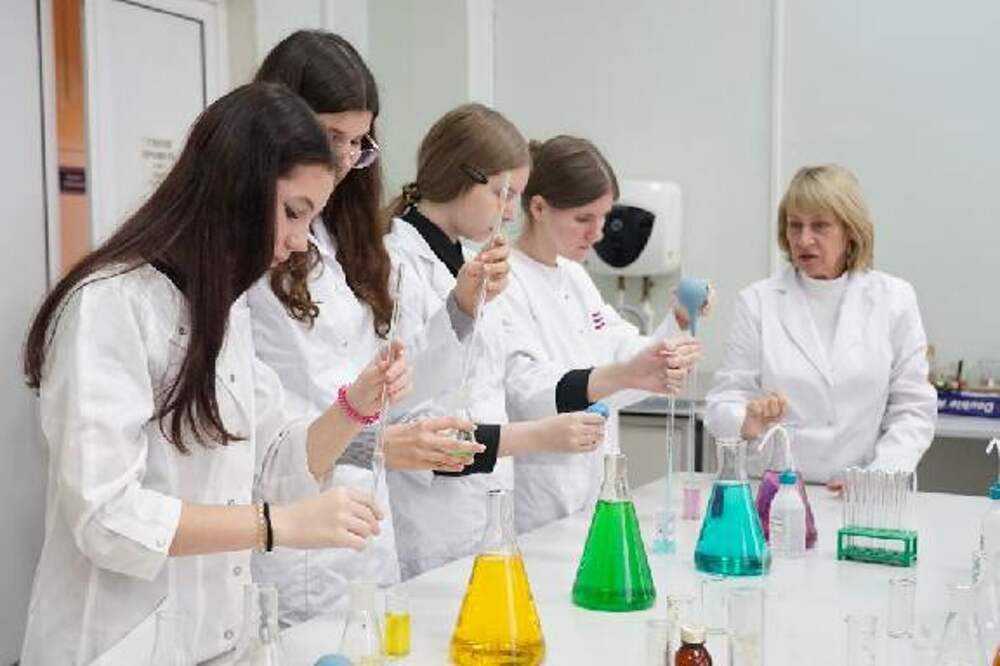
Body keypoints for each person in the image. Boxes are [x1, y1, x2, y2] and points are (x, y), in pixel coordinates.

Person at [18, 83, 407, 664]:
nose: (298, 242)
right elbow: (106, 516)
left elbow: (276, 462)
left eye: (311, 219)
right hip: (116, 645)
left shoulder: (223, 308)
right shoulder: (110, 304)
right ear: (235, 188)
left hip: (213, 641)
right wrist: (275, 526)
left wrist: (356, 405)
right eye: (292, 212)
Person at [246, 31, 495, 624]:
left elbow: (392, 382)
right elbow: (258, 431)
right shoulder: (254, 250)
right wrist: (374, 444)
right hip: (291, 543)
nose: (343, 159)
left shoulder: (347, 242)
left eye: (358, 142)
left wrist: (460, 309)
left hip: (365, 535)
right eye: (331, 137)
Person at [386, 105, 690, 576]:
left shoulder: (476, 263)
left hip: (488, 497)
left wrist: (657, 352)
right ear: (461, 176)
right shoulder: (401, 264)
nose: (509, 212)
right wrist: (539, 434)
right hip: (437, 514)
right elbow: (421, 404)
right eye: (502, 194)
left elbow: (605, 348)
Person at [505, 135, 704, 533]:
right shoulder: (505, 279)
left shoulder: (575, 277)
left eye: (603, 217)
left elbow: (619, 348)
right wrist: (627, 373)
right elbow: (526, 391)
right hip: (537, 496)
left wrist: (671, 336)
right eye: (583, 219)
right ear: (538, 207)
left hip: (592, 488)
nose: (597, 234)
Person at [705, 164, 936, 487]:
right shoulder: (757, 302)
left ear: (851, 230)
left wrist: (878, 476)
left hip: (860, 494)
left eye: (820, 226)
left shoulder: (894, 299)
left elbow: (913, 408)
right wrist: (746, 419)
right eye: (794, 225)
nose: (804, 239)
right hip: (775, 490)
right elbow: (723, 402)